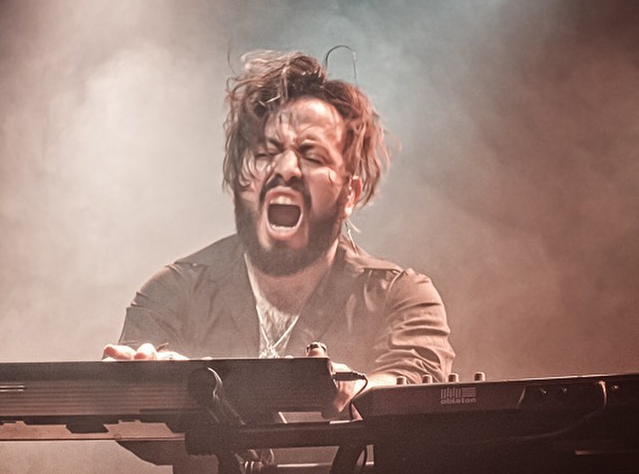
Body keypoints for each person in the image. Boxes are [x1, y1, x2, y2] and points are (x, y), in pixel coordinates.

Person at [104, 50, 453, 409]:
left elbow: (414, 381)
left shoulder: (399, 296)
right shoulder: (174, 292)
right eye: (265, 153)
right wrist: (158, 386)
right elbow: (127, 415)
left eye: (312, 155)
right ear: (240, 179)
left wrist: (354, 389)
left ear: (350, 193)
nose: (285, 168)